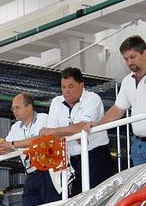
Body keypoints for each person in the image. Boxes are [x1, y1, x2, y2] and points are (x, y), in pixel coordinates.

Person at [92, 35, 146, 166]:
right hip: (137, 146)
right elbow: (117, 109)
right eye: (126, 59)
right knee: (142, 186)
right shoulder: (127, 81)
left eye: (133, 57)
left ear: (145, 53)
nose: (129, 62)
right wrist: (97, 126)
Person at [43, 67, 116, 195]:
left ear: (81, 85)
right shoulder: (56, 102)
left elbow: (81, 126)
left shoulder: (93, 99)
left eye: (71, 87)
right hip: (71, 161)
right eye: (63, 87)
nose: (66, 91)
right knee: (75, 201)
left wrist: (57, 131)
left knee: (98, 197)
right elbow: (51, 135)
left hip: (95, 157)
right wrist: (66, 131)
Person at [0, 92, 57, 206]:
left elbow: (40, 140)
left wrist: (12, 145)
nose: (14, 111)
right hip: (31, 174)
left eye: (17, 107)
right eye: (12, 108)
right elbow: (7, 146)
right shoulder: (15, 127)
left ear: (29, 108)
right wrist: (3, 147)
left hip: (48, 173)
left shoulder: (43, 118)